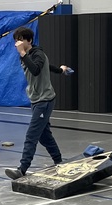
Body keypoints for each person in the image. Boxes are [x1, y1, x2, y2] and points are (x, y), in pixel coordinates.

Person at [4, 26, 69, 180]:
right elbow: (48, 66)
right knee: (44, 136)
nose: (17, 43)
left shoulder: (36, 54)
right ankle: (59, 162)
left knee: (32, 135)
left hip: (44, 100)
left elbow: (36, 69)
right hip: (36, 99)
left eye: (20, 40)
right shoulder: (28, 55)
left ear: (29, 41)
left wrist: (22, 52)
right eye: (16, 41)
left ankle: (22, 169)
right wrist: (60, 69)